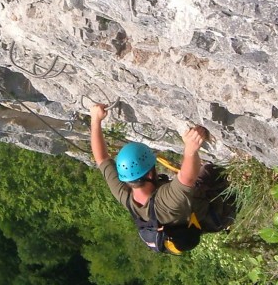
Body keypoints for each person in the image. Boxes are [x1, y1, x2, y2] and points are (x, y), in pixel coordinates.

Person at [90, 104, 233, 254]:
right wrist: (190, 148)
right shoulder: (165, 202)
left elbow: (101, 159)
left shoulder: (125, 194)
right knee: (211, 170)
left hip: (190, 212)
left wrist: (96, 120)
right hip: (219, 212)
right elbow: (187, 178)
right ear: (151, 174)